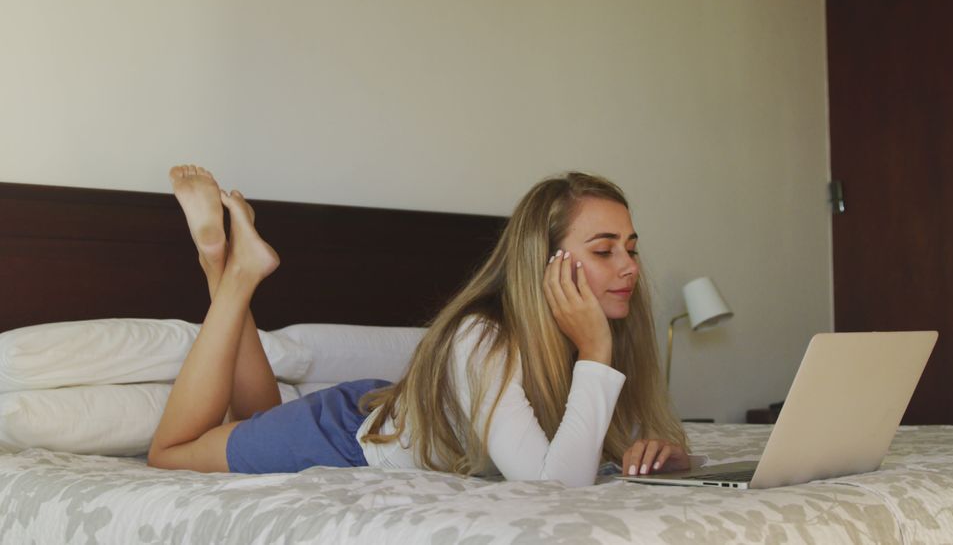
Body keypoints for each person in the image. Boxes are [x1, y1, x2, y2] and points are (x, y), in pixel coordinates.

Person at [148, 166, 693, 487]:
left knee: (254, 418)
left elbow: (583, 443)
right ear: (541, 260)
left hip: (375, 411)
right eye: (604, 250)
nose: (629, 267)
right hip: (340, 441)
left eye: (631, 248)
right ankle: (237, 273)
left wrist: (653, 453)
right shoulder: (483, 338)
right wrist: (596, 354)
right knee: (171, 454)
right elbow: (551, 488)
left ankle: (218, 261)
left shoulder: (606, 332)